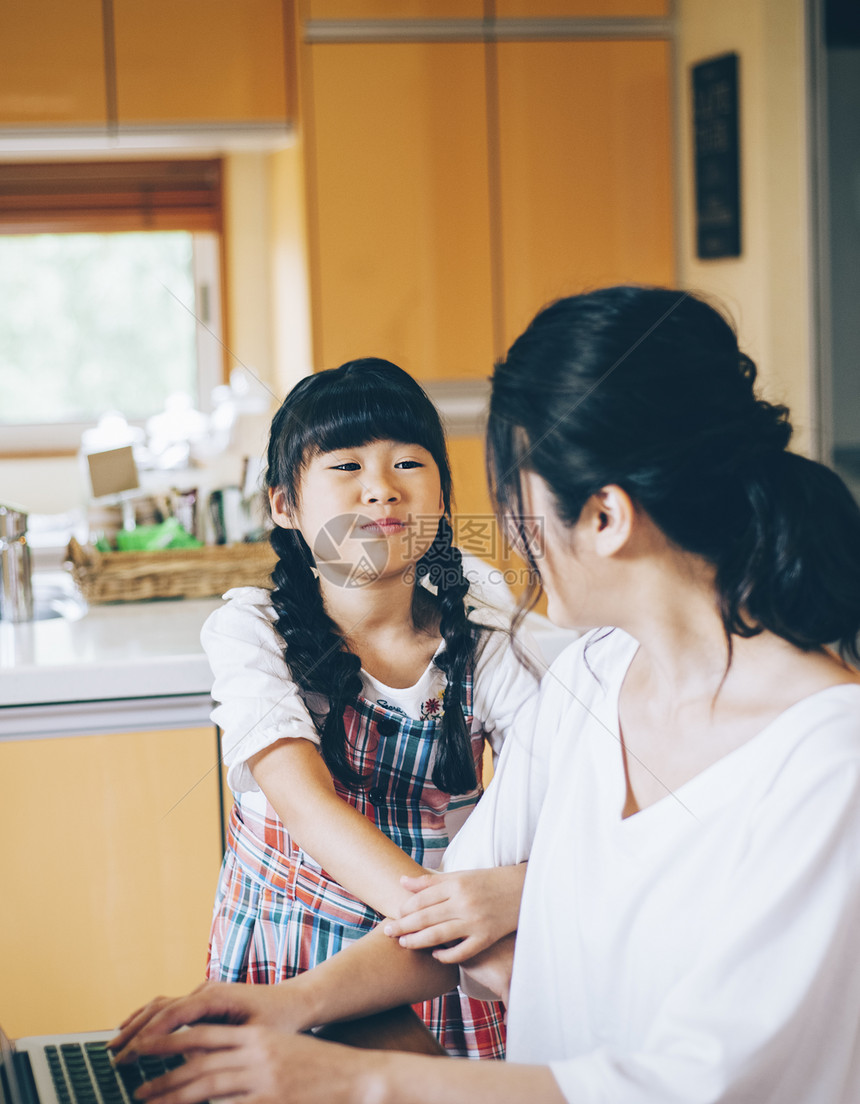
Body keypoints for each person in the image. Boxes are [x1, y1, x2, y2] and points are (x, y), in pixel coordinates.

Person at [111, 288, 860, 1103]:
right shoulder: (591, 678)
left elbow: (688, 1086)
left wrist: (360, 1079)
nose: (501, 525)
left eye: (512, 493)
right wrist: (289, 1004)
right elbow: (450, 917)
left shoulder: (829, 763)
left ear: (603, 516)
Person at [198, 357, 540, 1060]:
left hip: (438, 958)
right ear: (283, 506)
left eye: (408, 463)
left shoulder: (481, 620)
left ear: (442, 496)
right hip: (303, 953)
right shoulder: (250, 630)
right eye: (346, 466)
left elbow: (553, 788)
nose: (382, 490)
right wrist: (475, 934)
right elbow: (309, 808)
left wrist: (518, 892)